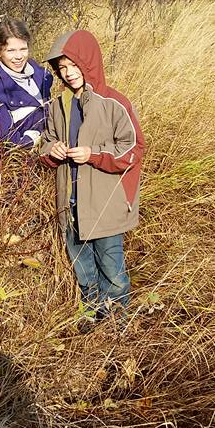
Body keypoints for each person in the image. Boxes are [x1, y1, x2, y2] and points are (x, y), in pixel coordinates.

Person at [40, 29, 145, 325]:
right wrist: (53, 150)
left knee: (112, 273)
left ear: (88, 62)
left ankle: (116, 329)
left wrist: (93, 155)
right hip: (70, 206)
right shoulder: (59, 105)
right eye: (62, 68)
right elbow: (45, 143)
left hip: (105, 206)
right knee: (83, 270)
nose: (69, 73)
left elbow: (133, 149)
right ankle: (91, 320)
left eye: (74, 65)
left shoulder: (114, 102)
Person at [0, 16, 52, 155]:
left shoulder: (42, 75)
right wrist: (33, 139)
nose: (19, 56)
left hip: (48, 157)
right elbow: (4, 143)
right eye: (10, 51)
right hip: (18, 167)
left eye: (23, 49)